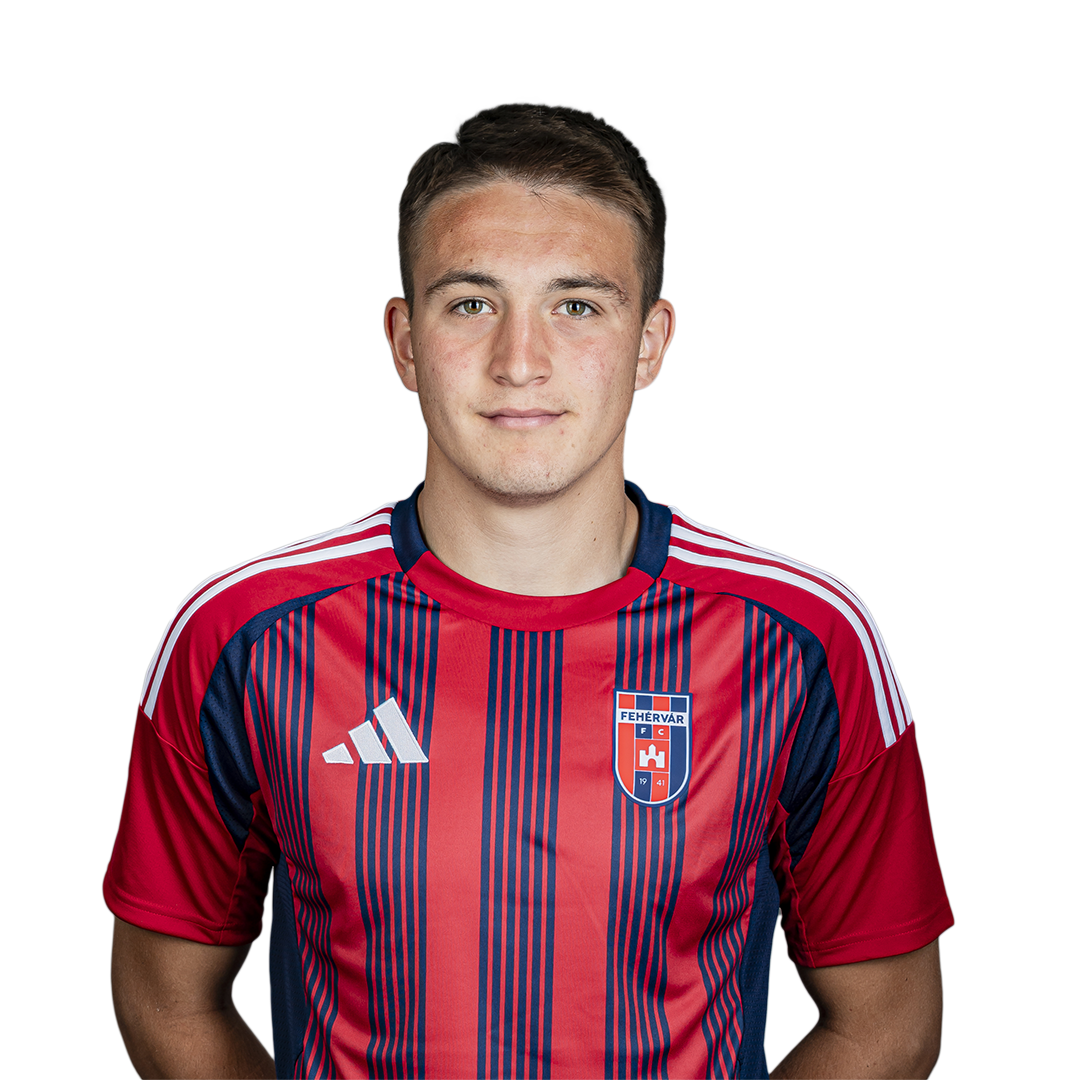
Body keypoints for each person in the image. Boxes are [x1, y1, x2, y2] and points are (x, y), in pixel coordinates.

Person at [105, 100, 953, 1080]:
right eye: (471, 303)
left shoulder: (804, 643)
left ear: (649, 342)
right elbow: (165, 1000)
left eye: (577, 305)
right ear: (405, 340)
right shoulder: (243, 637)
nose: (520, 362)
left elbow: (889, 1025)